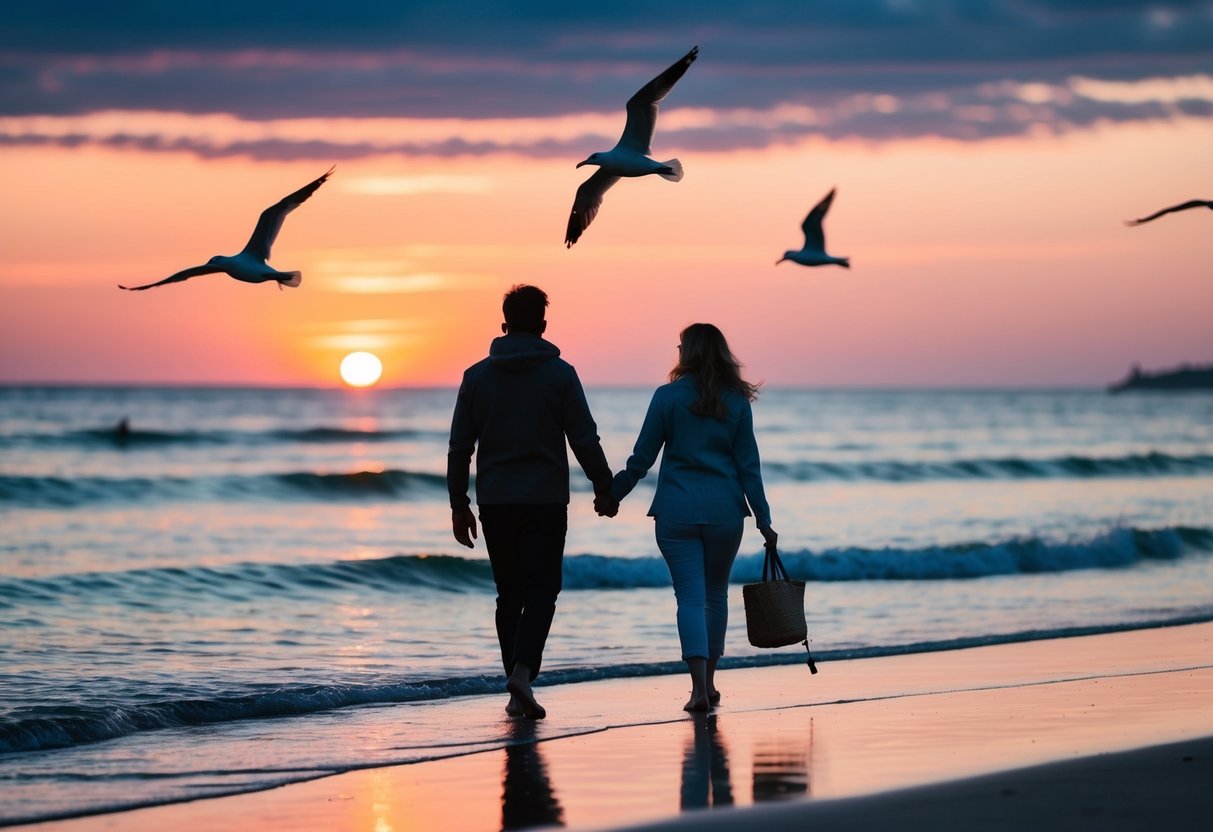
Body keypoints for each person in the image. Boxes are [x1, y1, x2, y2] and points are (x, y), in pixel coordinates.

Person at [447, 284, 617, 720]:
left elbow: (459, 446)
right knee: (543, 589)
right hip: (544, 499)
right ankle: (521, 675)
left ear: (504, 325)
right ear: (543, 326)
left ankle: (515, 687)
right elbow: (583, 437)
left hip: (496, 500)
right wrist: (603, 485)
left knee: (509, 594)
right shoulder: (560, 374)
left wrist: (458, 503)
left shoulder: (477, 376)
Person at [611, 323, 777, 711]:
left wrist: (613, 494)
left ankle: (697, 689)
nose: (678, 350)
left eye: (681, 345)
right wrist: (763, 519)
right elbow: (748, 466)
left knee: (689, 598)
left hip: (676, 512)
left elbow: (641, 459)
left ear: (690, 352)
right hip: (724, 513)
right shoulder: (735, 401)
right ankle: (711, 683)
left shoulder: (667, 397)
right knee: (715, 595)